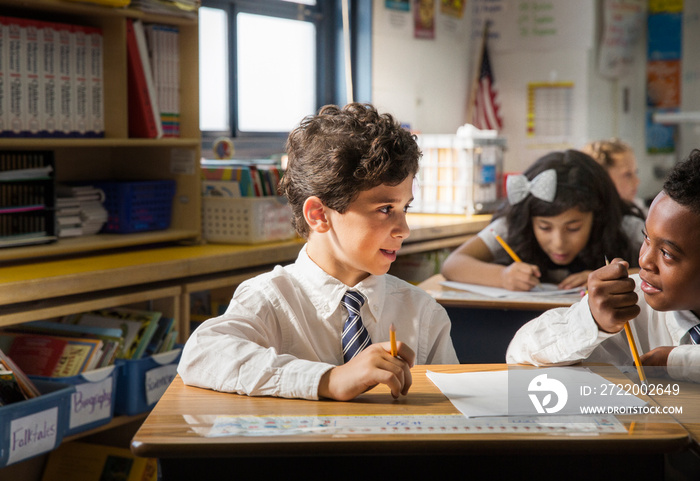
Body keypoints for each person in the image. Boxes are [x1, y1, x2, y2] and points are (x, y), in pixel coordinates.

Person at [178, 103, 458, 401]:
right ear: (318, 215)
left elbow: (452, 409)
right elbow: (201, 355)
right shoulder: (271, 299)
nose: (404, 229)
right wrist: (329, 380)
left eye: (405, 208)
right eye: (385, 209)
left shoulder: (423, 314)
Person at [506, 150, 700, 382]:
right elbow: (519, 354)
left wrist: (681, 362)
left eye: (667, 253)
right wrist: (591, 320)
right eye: (646, 238)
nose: (644, 261)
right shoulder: (633, 301)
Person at [441, 149, 644, 291]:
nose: (558, 242)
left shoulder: (624, 227)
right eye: (545, 227)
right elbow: (453, 264)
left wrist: (616, 277)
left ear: (598, 216)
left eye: (573, 228)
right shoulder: (514, 225)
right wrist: (502, 277)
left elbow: (670, 271)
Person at [582, 138, 647, 216]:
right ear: (603, 180)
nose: (637, 181)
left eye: (635, 172)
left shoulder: (637, 210)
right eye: (627, 175)